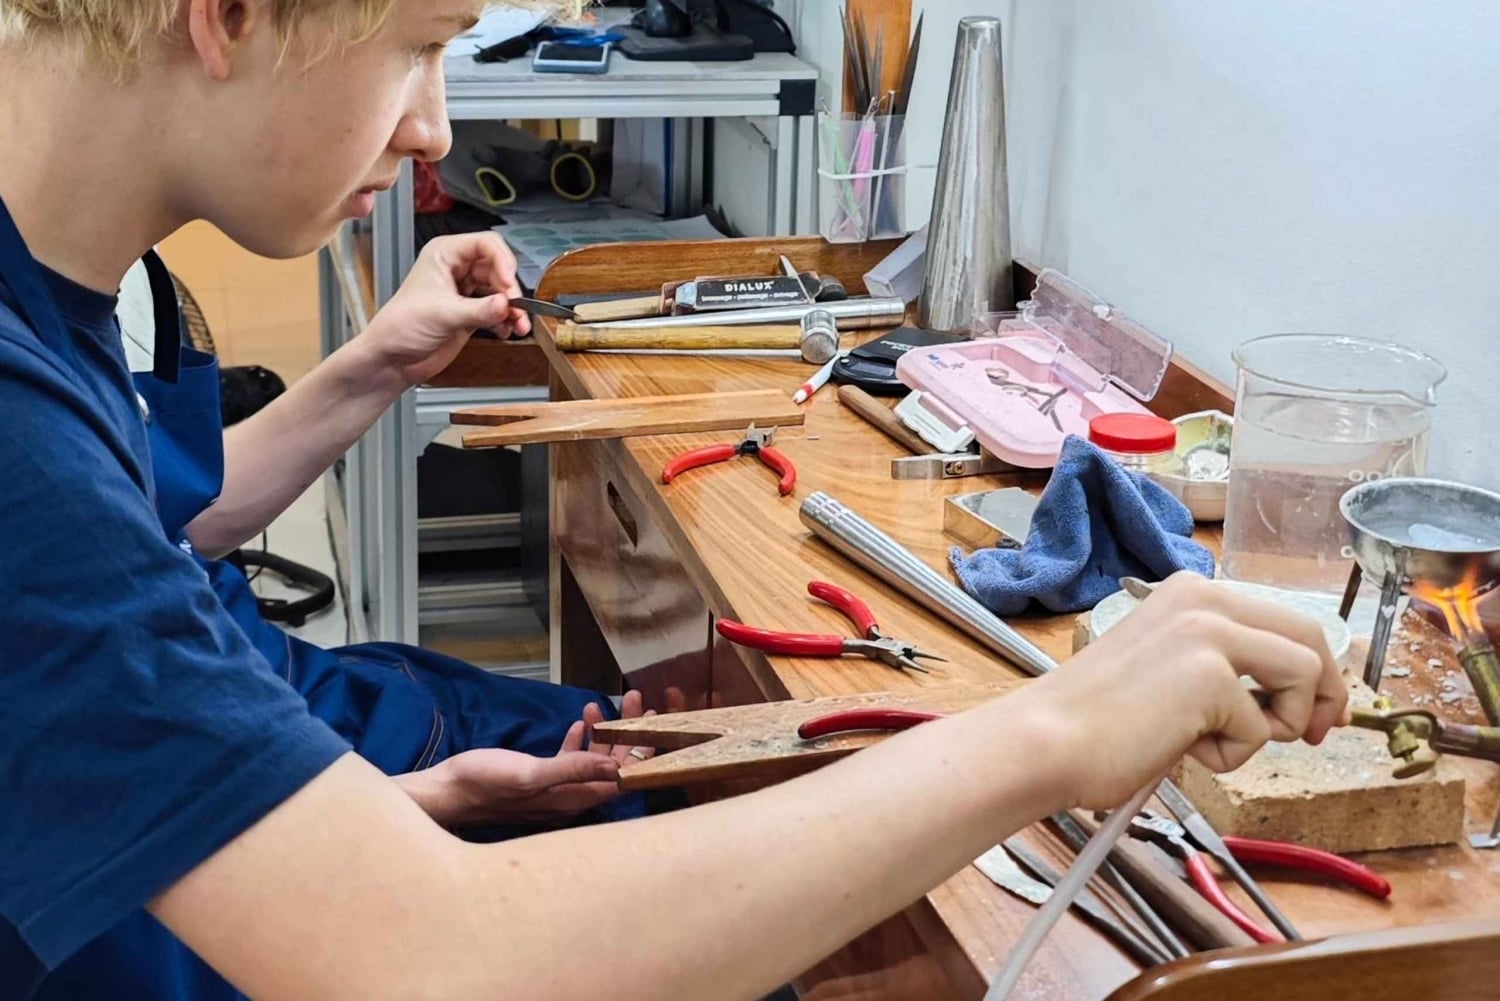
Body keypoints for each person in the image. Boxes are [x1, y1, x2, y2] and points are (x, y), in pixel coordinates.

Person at [0, 2, 1350, 1000]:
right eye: (421, 44)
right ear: (227, 16)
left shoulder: (64, 292)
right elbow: (434, 959)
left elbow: (127, 570)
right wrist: (1059, 728)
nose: (436, 126)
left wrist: (385, 809)